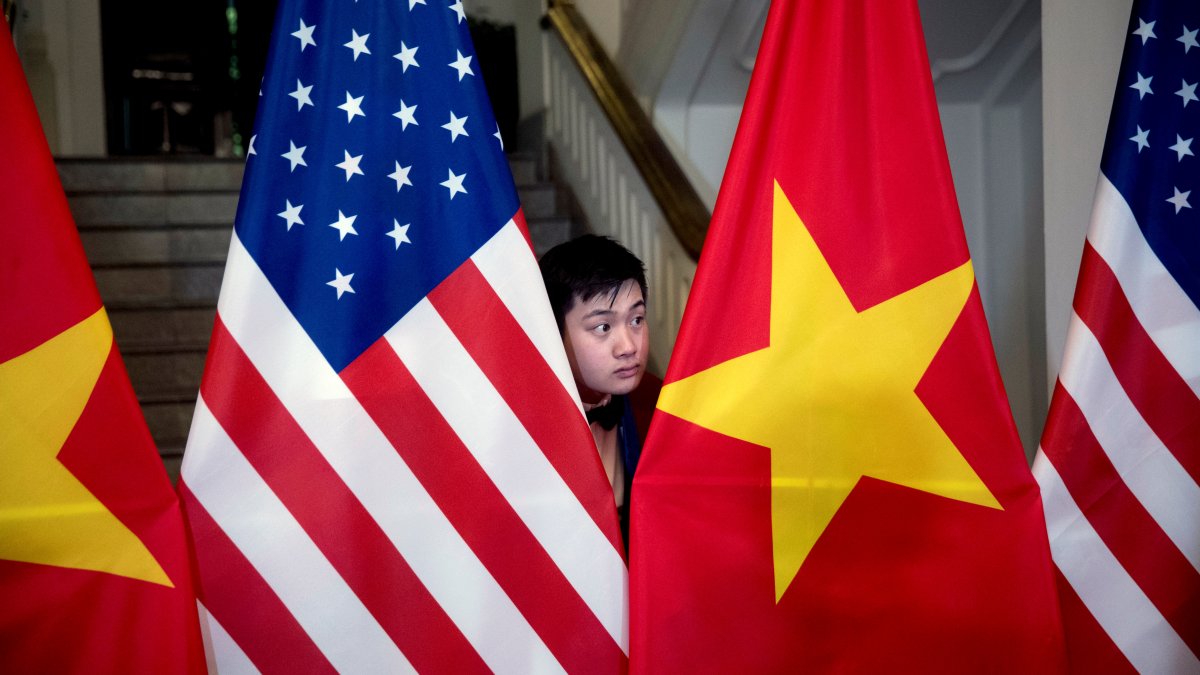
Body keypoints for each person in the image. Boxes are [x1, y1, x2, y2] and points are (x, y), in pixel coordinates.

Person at [539, 234, 648, 545]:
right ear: (553, 332)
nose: (629, 346)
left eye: (637, 319)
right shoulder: (517, 426)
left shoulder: (659, 404)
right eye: (603, 327)